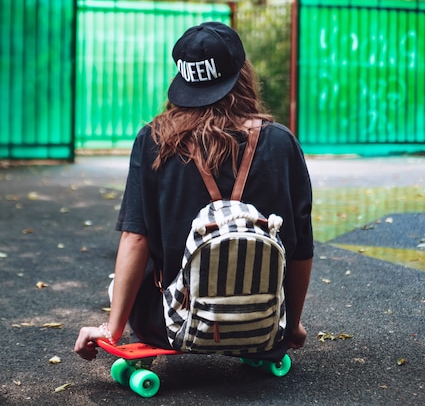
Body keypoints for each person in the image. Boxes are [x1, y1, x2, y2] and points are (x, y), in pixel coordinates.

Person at [74, 21, 313, 362]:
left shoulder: (155, 140)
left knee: (124, 279)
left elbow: (136, 239)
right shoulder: (281, 142)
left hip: (172, 328)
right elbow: (301, 245)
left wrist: (111, 330)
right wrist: (291, 327)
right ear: (242, 73)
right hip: (264, 327)